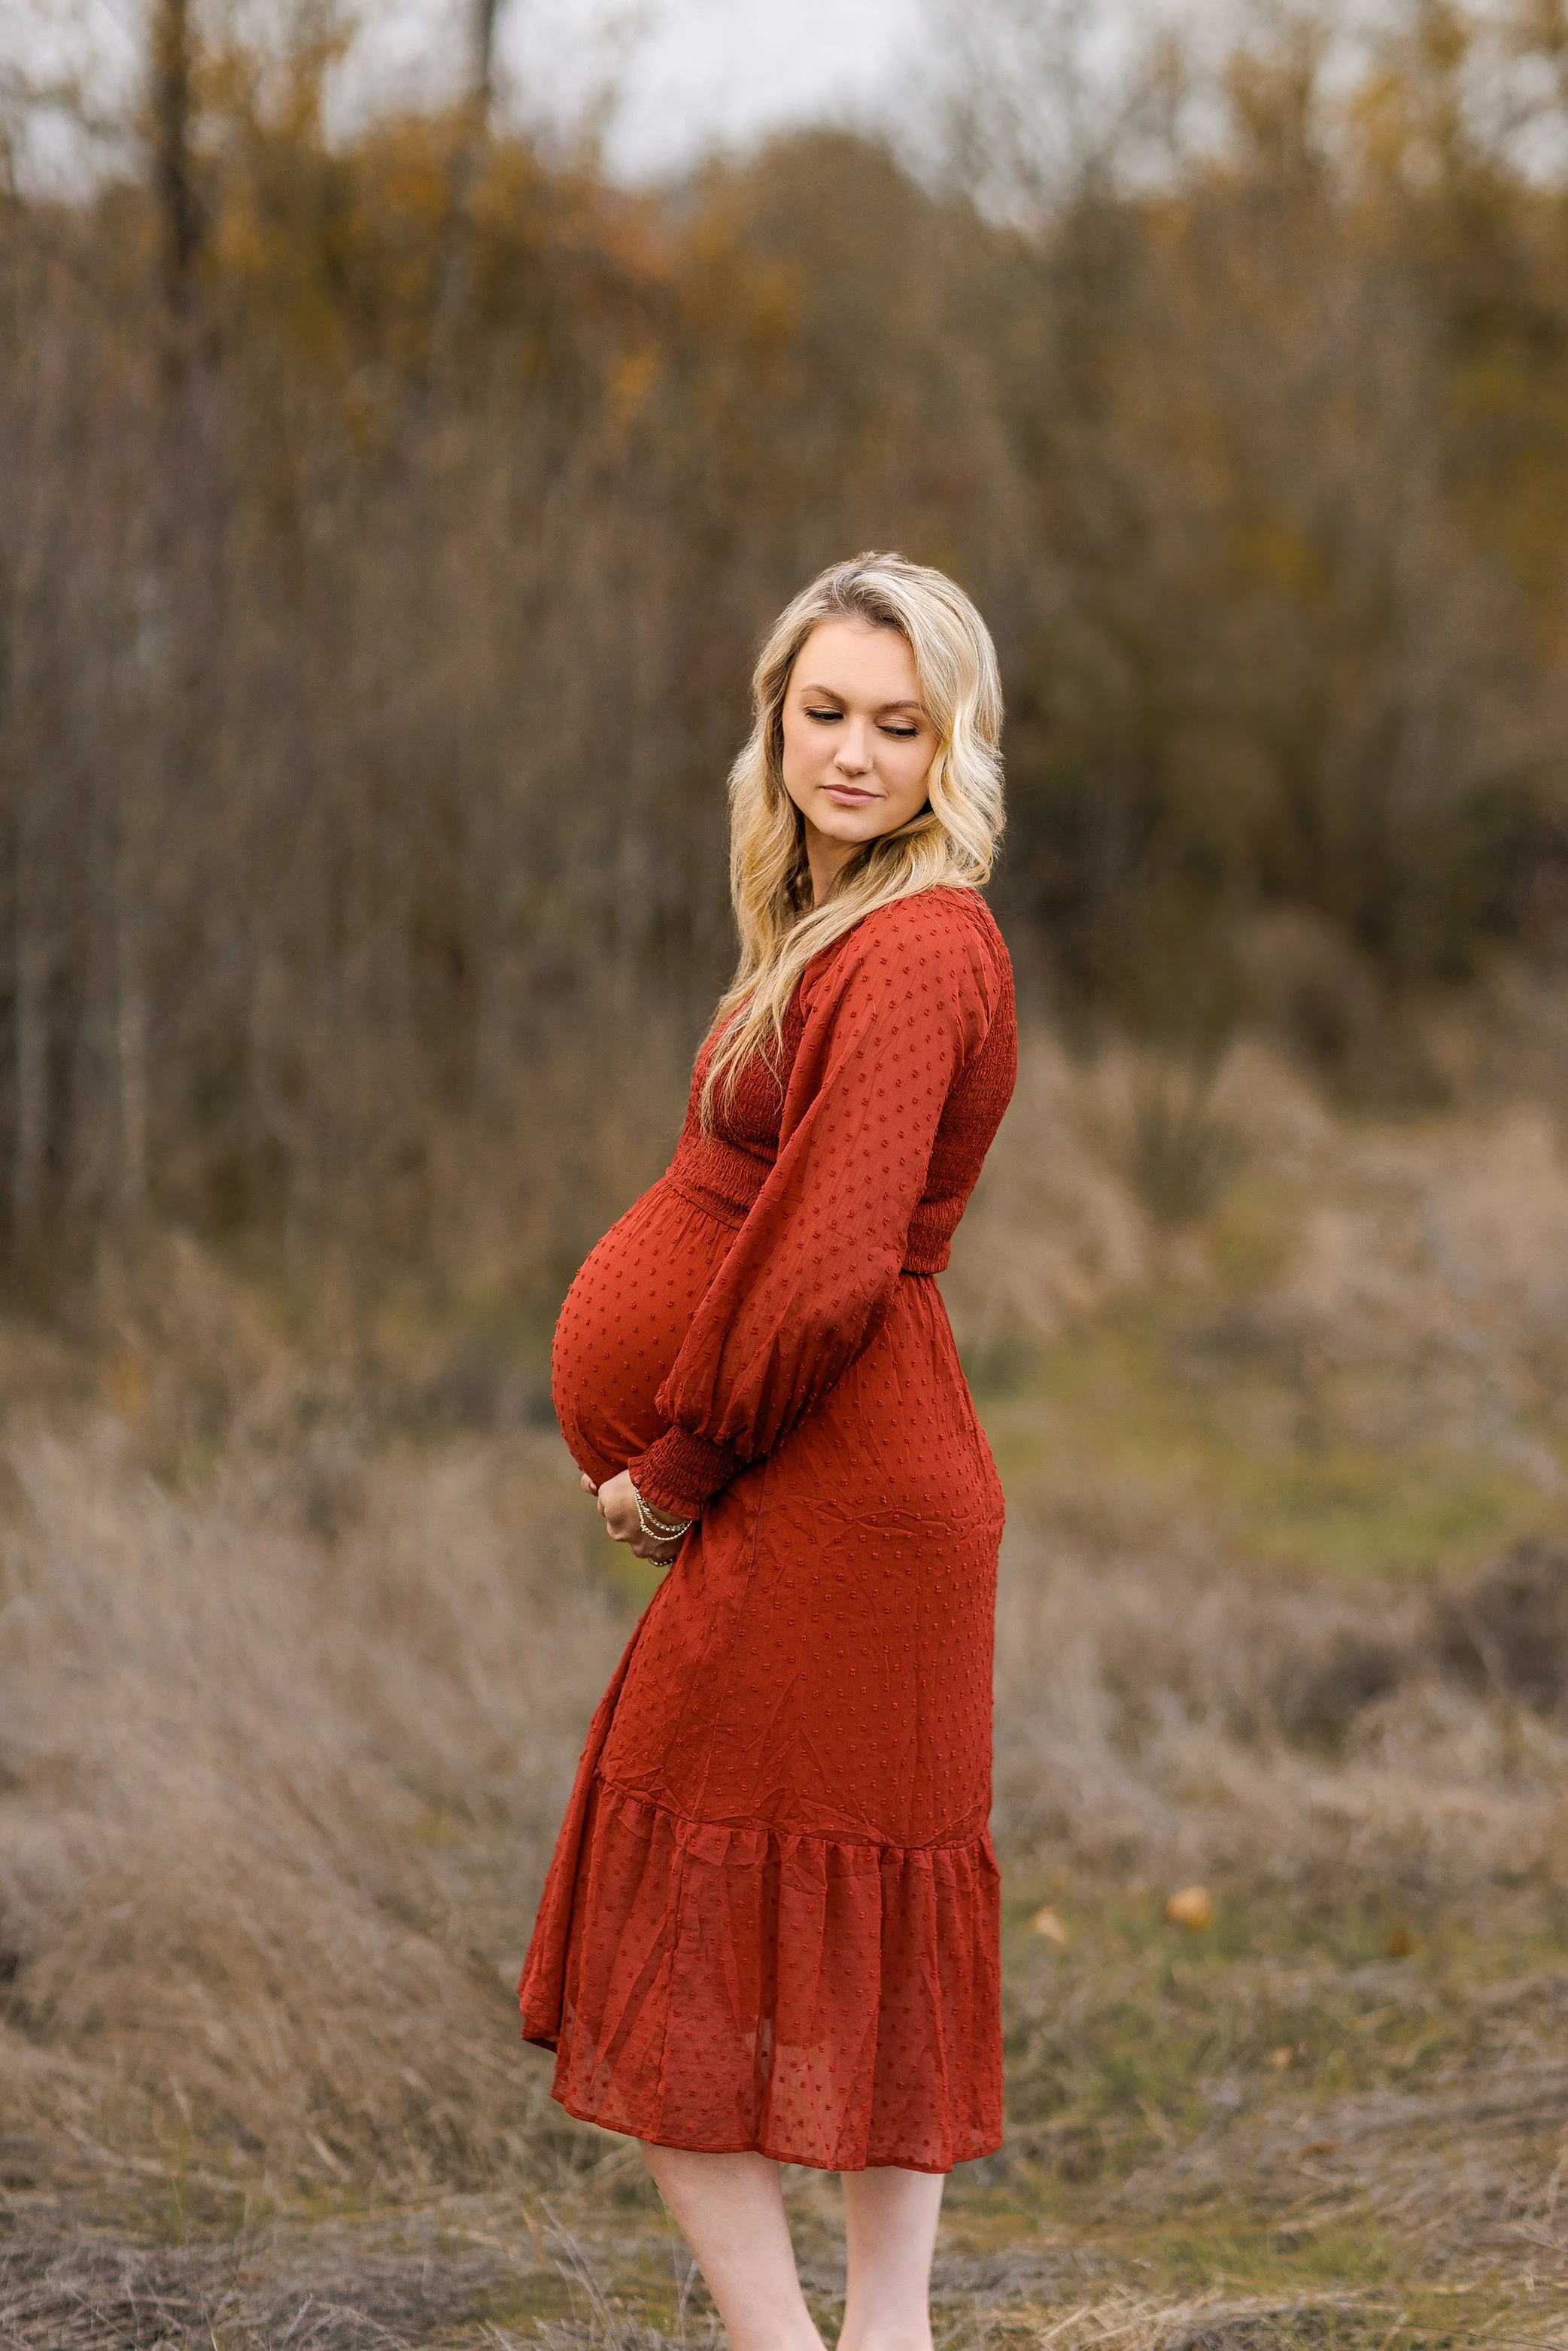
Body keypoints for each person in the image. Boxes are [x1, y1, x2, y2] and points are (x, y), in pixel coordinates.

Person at [520, 552, 1016, 2351]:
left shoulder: (920, 943)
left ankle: (806, 2344)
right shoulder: (837, 928)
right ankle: (870, 2341)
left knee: (679, 1923)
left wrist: (677, 1464)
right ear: (776, 717)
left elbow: (819, 1267)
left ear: (951, 740)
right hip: (841, 1489)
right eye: (826, 713)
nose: (856, 753)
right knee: (826, 1916)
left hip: (831, 1492)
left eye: (900, 723)